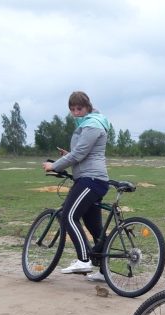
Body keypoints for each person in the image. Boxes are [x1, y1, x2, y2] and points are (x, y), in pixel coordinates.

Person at [43, 91, 112, 283]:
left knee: (68, 215)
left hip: (90, 180)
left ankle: (84, 259)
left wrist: (55, 165)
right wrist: (68, 154)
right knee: (94, 227)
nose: (75, 112)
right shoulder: (89, 123)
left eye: (79, 108)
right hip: (91, 179)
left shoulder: (91, 124)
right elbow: (82, 153)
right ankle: (103, 271)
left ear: (88, 107)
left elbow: (80, 154)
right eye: (72, 109)